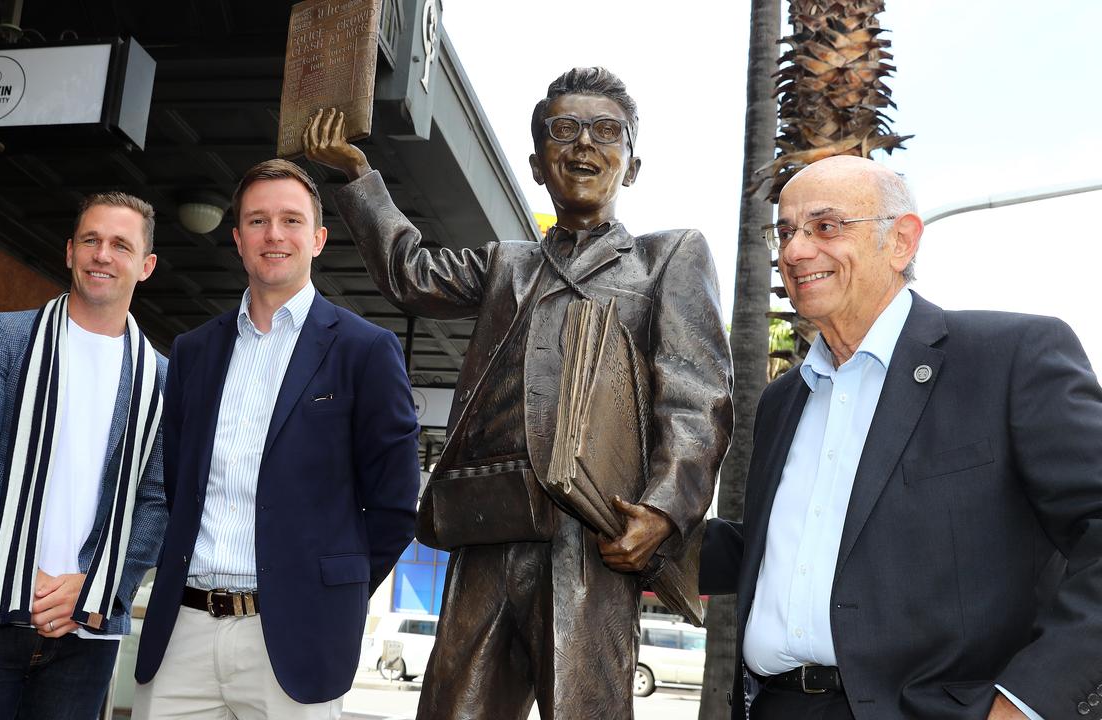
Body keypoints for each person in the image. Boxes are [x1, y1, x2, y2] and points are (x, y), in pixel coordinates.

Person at [305, 67, 733, 719]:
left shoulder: (667, 259)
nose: (584, 145)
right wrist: (358, 176)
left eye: (605, 132)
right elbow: (411, 274)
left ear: (632, 164)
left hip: (591, 540)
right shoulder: (507, 264)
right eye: (564, 131)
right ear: (537, 166)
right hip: (489, 524)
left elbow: (696, 398)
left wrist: (667, 509)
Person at [700, 154, 1102, 720]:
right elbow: (785, 548)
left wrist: (1028, 702)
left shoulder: (1010, 358)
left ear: (901, 241)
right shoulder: (783, 399)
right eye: (786, 231)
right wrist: (641, 530)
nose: (794, 251)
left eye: (826, 226)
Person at [133, 158, 420, 719]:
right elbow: (176, 485)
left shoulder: (364, 351)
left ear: (317, 238)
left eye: (291, 220)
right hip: (182, 635)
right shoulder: (193, 352)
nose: (274, 234)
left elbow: (393, 505)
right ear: (238, 239)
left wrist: (325, 591)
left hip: (296, 636)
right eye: (258, 221)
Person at [0, 192, 167, 719]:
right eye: (91, 240)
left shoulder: (161, 378)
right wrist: (19, 573)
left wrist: (94, 586)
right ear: (69, 251)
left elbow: (158, 499)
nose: (102, 254)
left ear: (146, 266)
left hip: (87, 624)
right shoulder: (6, 337)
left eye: (121, 245)